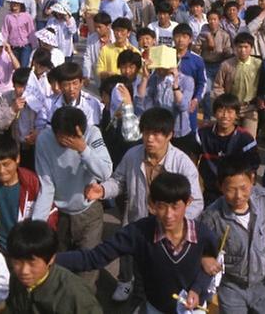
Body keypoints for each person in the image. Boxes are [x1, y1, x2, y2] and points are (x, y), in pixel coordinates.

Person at [84, 106, 204, 303]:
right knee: (139, 271)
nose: (149, 139)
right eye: (146, 132)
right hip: (140, 222)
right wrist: (103, 190)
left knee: (162, 277)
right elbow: (119, 181)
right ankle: (131, 288)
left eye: (157, 134)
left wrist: (174, 223)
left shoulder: (182, 164)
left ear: (169, 135)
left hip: (169, 232)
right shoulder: (133, 155)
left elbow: (196, 202)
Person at [56, 172, 219, 313]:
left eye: (176, 206)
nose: (169, 215)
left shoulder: (203, 235)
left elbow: (211, 267)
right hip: (156, 309)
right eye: (162, 206)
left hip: (193, 310)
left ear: (188, 202)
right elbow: (94, 258)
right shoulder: (138, 233)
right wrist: (51, 259)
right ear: (152, 204)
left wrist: (197, 289)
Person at [32, 106, 112, 289]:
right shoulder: (45, 140)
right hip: (61, 214)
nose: (65, 142)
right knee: (60, 267)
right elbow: (46, 186)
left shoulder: (92, 134)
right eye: (61, 137)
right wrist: (38, 225)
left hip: (88, 211)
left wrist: (83, 149)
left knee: (89, 267)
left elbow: (106, 172)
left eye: (70, 138)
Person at [200, 155, 265, 314]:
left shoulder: (264, 199)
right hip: (231, 287)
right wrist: (204, 258)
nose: (238, 196)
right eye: (230, 190)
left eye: (243, 188)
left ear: (252, 179)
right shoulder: (211, 217)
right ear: (220, 186)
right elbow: (200, 245)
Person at [4, 219, 103, 313]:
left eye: (32, 263)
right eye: (18, 262)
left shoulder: (74, 294)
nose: (24, 271)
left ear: (51, 259)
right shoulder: (16, 280)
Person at [198, 93, 261, 205]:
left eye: (230, 112)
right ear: (214, 113)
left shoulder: (245, 139)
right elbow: (192, 158)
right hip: (210, 190)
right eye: (221, 111)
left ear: (236, 115)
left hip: (235, 191)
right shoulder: (203, 134)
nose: (225, 116)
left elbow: (252, 168)